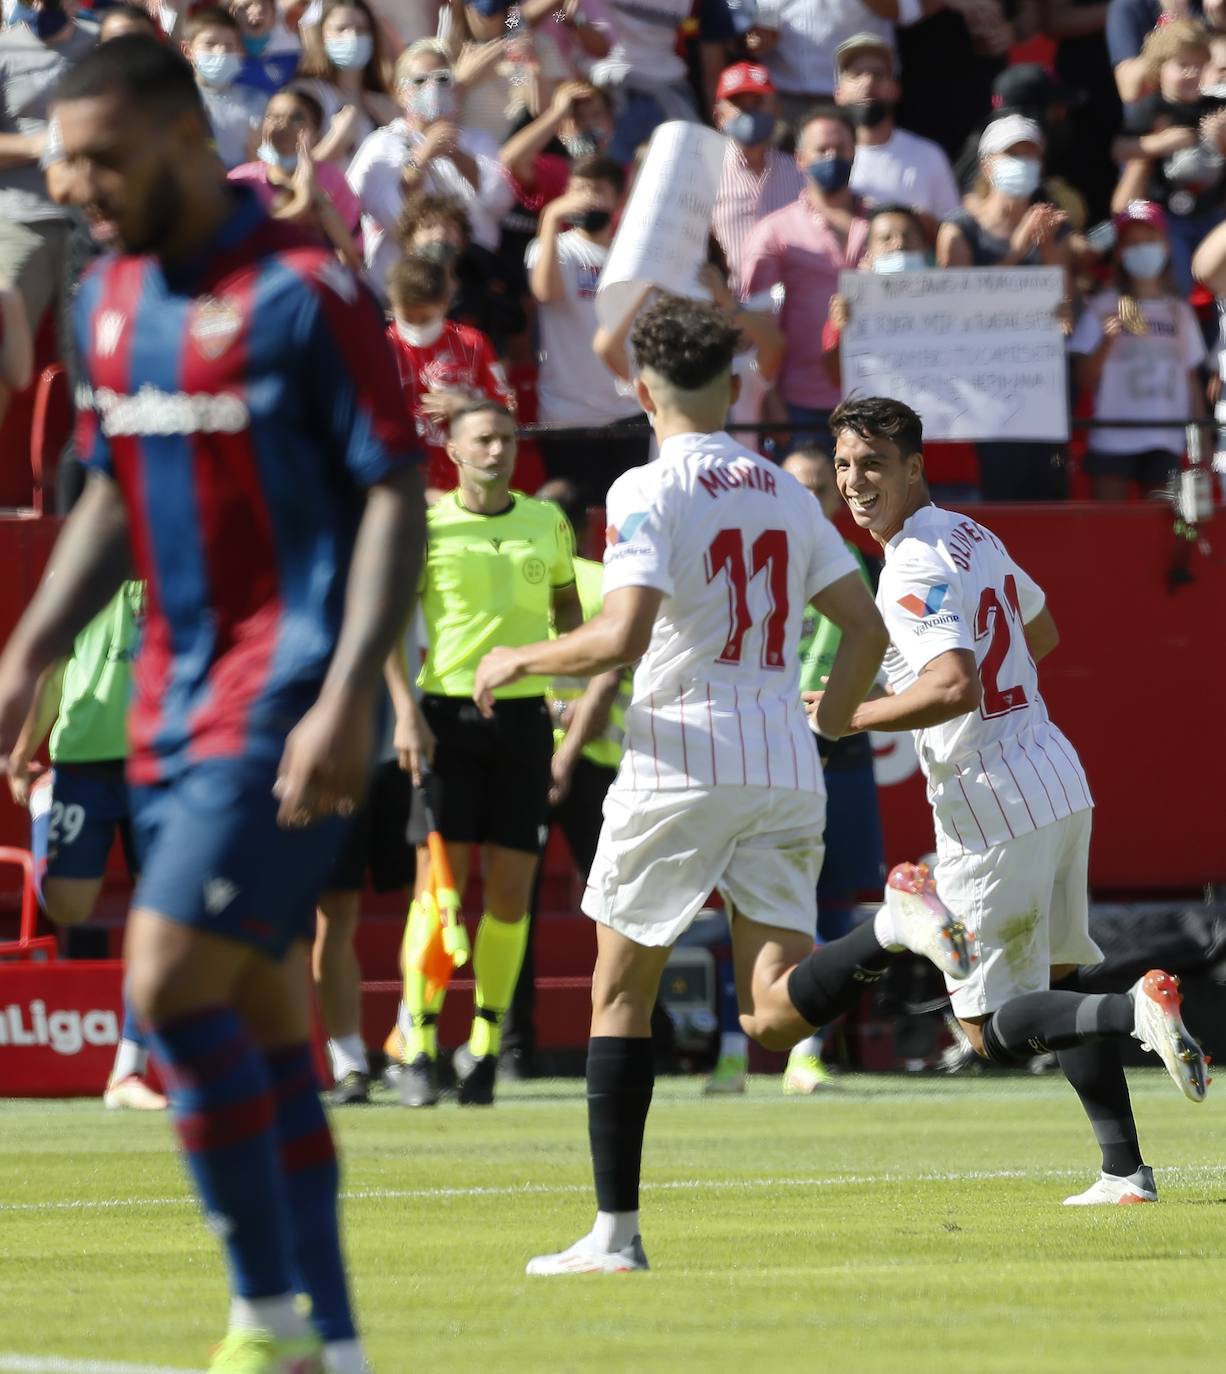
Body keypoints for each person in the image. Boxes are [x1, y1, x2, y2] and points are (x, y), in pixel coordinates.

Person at [0, 35, 425, 1373]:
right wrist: (29, 649)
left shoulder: (308, 292)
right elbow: (110, 490)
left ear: (188, 136)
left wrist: (351, 687)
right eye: (64, 160)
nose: (78, 185)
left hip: (285, 689)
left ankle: (260, 1315)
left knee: (166, 979)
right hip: (163, 702)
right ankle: (335, 1343)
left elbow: (389, 495)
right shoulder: (108, 296)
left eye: (102, 158)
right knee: (262, 1030)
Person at [472, 294, 977, 1274]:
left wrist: (515, 658)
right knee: (773, 1010)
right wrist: (827, 726)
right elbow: (865, 630)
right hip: (780, 757)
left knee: (618, 998)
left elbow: (617, 639)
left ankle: (613, 1237)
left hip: (675, 755)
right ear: (736, 383)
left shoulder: (641, 488)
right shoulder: (786, 490)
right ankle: (886, 930)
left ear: (639, 387)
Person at [821, 393, 1208, 1206]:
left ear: (915, 467)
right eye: (846, 465)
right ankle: (1124, 1171)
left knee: (988, 1029)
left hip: (990, 802)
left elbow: (956, 685)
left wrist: (855, 711)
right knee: (1058, 983)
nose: (855, 483)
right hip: (1056, 776)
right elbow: (1042, 633)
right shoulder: (971, 532)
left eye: (874, 466)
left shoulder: (910, 563)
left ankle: (1137, 1012)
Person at [386, 400, 583, 1108]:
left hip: (524, 723)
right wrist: (406, 713)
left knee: (508, 896)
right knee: (437, 892)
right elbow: (387, 627)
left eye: (506, 438)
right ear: (454, 448)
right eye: (483, 439)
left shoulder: (545, 522)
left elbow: (568, 612)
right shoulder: (429, 525)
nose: (497, 449)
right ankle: (419, 1040)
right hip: (444, 721)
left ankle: (485, 1045)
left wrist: (562, 676)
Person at [5, 580, 166, 1112]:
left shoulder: (183, 547)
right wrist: (25, 750)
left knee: (161, 917)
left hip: (161, 761)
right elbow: (50, 670)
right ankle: (44, 808)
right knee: (67, 904)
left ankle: (128, 1069)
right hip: (83, 760)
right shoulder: (87, 564)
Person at [778, 445, 885, 1096]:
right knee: (767, 896)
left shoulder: (869, 565)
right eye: (800, 488)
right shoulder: (753, 562)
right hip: (773, 748)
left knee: (837, 903)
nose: (813, 499)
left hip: (842, 749)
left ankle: (810, 1051)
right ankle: (739, 1048)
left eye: (822, 488)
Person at [936, 113, 1072, 501]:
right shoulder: (960, 229)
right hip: (982, 388)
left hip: (1038, 385)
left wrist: (1044, 246)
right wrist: (1015, 252)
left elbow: (1063, 311)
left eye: (1031, 156)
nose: (1023, 164)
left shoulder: (1054, 228)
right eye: (1012, 154)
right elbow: (955, 311)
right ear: (986, 165)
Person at [740, 104, 868, 449]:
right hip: (801, 406)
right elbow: (756, 324)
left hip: (876, 397)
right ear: (800, 159)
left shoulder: (885, 226)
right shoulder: (774, 233)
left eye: (841, 149)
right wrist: (769, 399)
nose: (833, 156)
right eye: (822, 150)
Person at [345, 37, 513, 301]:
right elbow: (391, 218)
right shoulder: (381, 144)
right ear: (400, 93)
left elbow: (500, 201)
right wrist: (420, 159)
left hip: (471, 288)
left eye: (443, 79)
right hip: (402, 291)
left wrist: (455, 153)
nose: (432, 87)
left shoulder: (478, 141)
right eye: (420, 81)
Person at [527, 153, 648, 501]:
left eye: (597, 190)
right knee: (572, 513)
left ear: (618, 200)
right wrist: (550, 217)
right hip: (566, 411)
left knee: (626, 512)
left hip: (627, 409)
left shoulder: (633, 255)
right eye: (577, 189)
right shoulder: (555, 248)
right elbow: (546, 292)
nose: (585, 198)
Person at [1069, 199, 1207, 500]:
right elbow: (1083, 381)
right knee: (1109, 527)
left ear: (1166, 245)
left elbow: (1192, 380)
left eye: (1150, 240)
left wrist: (1202, 446)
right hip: (1112, 439)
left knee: (1165, 531)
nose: (1142, 248)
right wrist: (1106, 344)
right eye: (1132, 243)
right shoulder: (1101, 307)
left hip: (1165, 438)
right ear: (1119, 253)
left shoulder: (1179, 312)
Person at [0, 0, 96, 427]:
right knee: (5, 363)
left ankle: (94, 481)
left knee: (94, 368)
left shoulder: (101, 45)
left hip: (96, 228)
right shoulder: (4, 49)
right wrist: (43, 146)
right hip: (20, 224)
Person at [385, 251, 517, 493]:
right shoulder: (381, 348)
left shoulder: (472, 343)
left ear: (445, 303)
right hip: (407, 483)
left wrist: (465, 407)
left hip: (465, 484)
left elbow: (506, 411)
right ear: (393, 304)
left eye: (424, 318)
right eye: (407, 317)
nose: (415, 325)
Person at [1112, 20, 1226, 293]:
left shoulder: (1215, 105)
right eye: (1182, 65)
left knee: (1216, 277)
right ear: (1159, 68)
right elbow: (1120, 148)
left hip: (1212, 212)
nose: (1191, 73)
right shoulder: (1151, 108)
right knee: (1179, 282)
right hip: (1167, 217)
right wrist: (1157, 143)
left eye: (1199, 65)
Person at [832, 32, 961, 237]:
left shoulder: (928, 155)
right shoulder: (826, 157)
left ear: (896, 89)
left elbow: (953, 231)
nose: (868, 82)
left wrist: (922, 226)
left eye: (879, 74)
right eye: (856, 74)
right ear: (838, 93)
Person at [709, 59, 804, 289]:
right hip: (730, 302)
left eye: (758, 103)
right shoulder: (706, 173)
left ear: (777, 110)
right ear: (719, 116)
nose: (749, 113)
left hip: (789, 302)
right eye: (739, 105)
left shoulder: (800, 173)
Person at [294, 0, 397, 166]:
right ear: (322, 35)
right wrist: (337, 139)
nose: (353, 36)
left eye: (362, 29)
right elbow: (292, 172)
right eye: (341, 29)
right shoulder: (305, 95)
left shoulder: (386, 103)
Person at [185, 6, 267, 171]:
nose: (221, 52)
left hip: (243, 188)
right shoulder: (177, 99)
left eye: (229, 46)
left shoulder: (258, 101)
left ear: (240, 51)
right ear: (188, 51)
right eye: (210, 44)